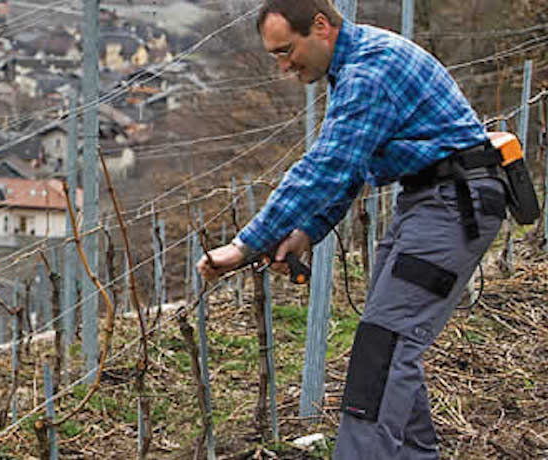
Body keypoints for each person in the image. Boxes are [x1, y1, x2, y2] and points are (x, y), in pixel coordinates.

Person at [196, 1, 508, 458]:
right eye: (274, 56)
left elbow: (326, 166)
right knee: (385, 344)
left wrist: (246, 245)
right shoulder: (356, 65)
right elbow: (352, 164)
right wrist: (308, 229)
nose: (283, 66)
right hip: (429, 199)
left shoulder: (367, 73)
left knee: (383, 350)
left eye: (286, 51)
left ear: (320, 27)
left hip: (453, 206)